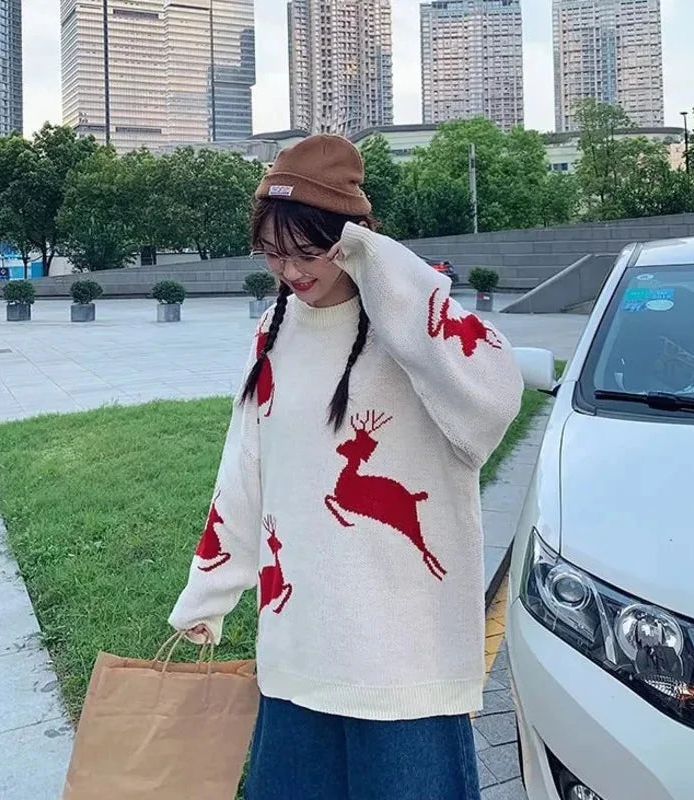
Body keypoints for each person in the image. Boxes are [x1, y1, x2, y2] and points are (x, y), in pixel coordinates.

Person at [169, 134, 524, 799]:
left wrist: (382, 268)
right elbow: (244, 469)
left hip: (406, 661)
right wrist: (210, 592)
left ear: (354, 241)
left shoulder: (414, 335)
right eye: (272, 252)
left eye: (309, 251)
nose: (290, 271)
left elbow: (497, 396)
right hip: (300, 650)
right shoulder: (272, 334)